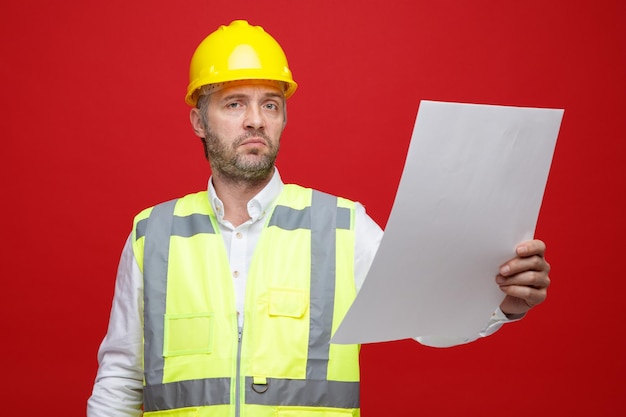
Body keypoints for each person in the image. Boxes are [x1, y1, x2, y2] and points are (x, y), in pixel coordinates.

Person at [87, 20, 551, 417]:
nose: (255, 120)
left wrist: (503, 305)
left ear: (284, 117)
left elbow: (428, 320)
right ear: (198, 121)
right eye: (234, 103)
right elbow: (121, 380)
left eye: (270, 103)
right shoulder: (153, 235)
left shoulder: (343, 227)